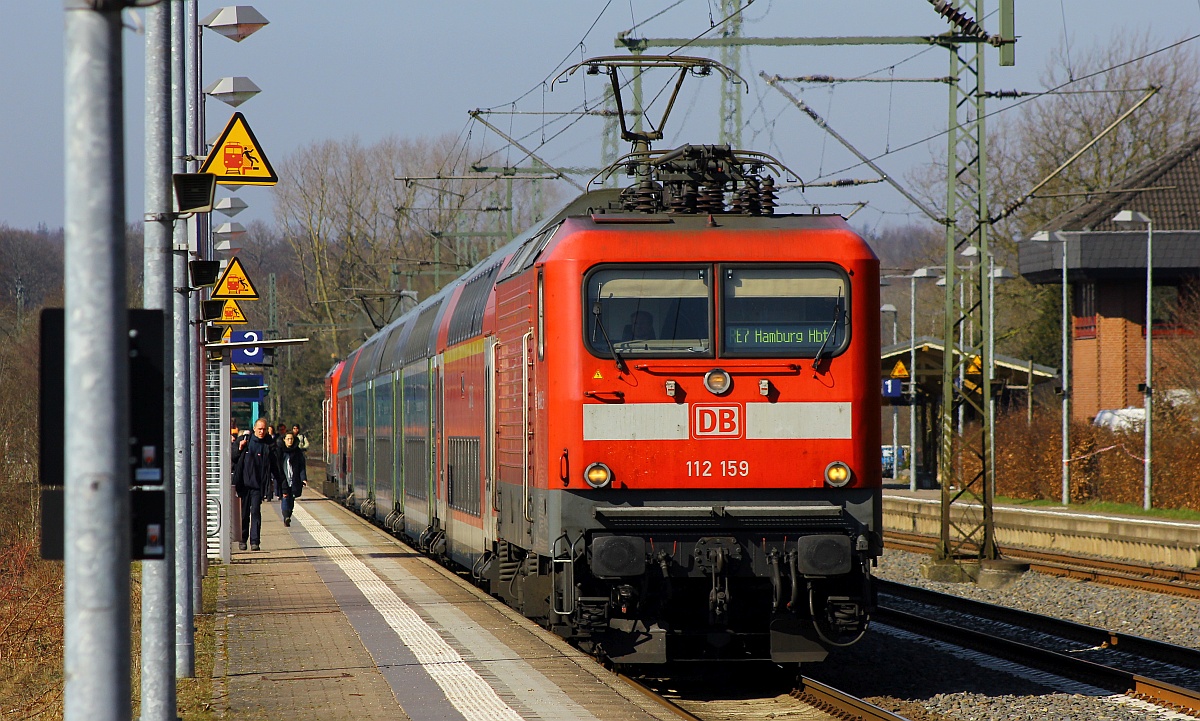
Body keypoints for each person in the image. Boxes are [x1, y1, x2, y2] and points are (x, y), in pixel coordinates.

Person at [233, 418, 284, 551]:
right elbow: (232, 457)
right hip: (244, 484)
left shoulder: (269, 445)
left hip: (258, 485)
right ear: (254, 429)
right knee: (243, 514)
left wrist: (283, 486)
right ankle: (243, 539)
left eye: (264, 429)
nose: (262, 431)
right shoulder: (245, 441)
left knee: (255, 512)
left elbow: (276, 467)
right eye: (259, 429)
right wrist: (239, 448)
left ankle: (255, 541)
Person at [280, 432, 307, 526]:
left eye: (291, 439)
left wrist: (303, 478)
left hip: (294, 479)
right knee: (285, 496)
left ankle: (289, 514)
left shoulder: (298, 452)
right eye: (288, 439)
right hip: (283, 479)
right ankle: (286, 516)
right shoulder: (280, 451)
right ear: (284, 440)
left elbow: (301, 466)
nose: (290, 441)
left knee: (292, 499)